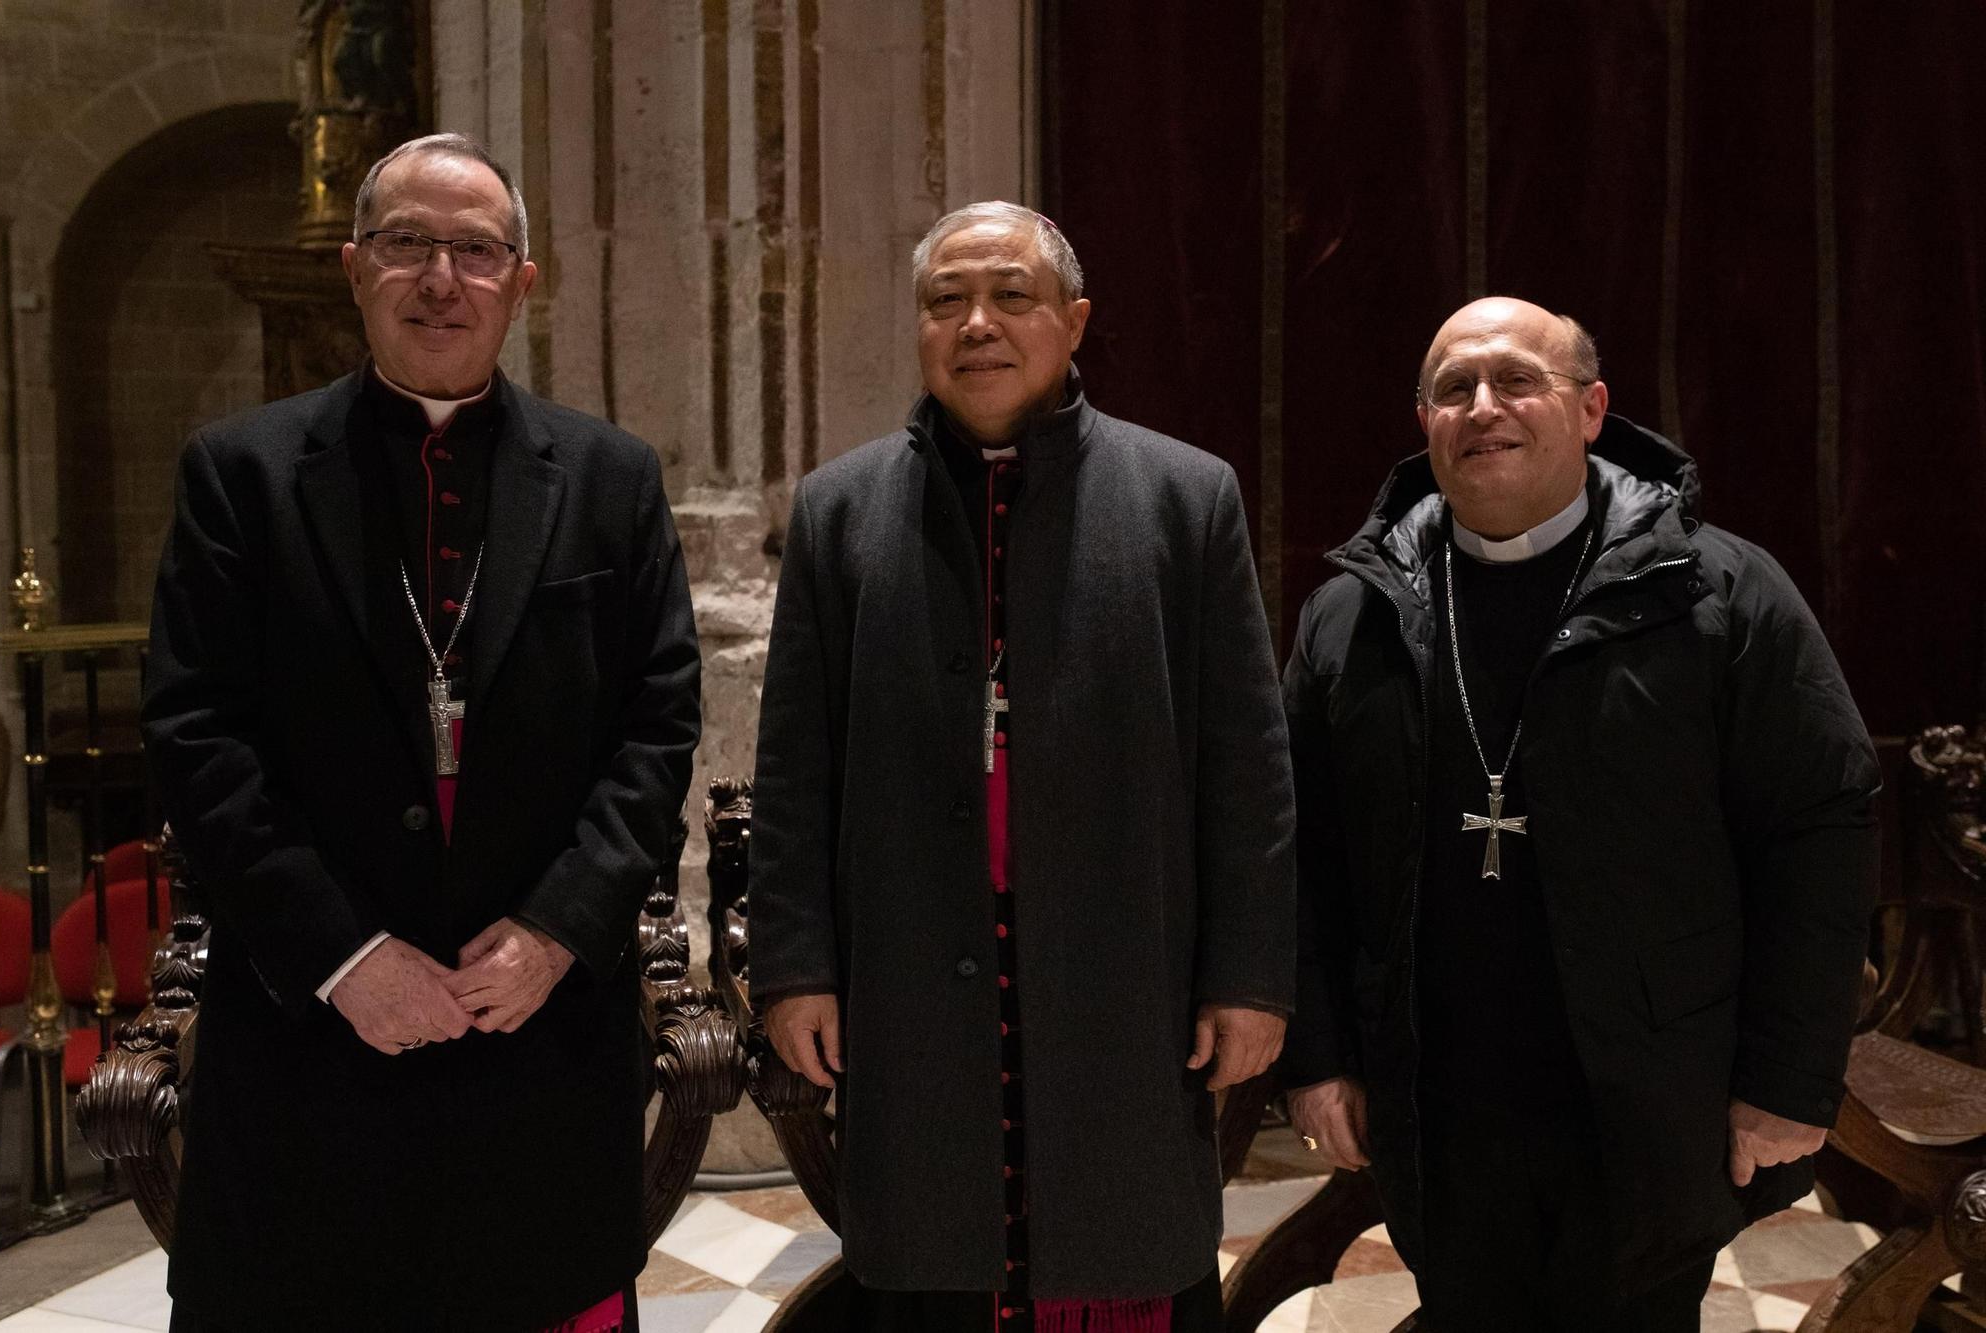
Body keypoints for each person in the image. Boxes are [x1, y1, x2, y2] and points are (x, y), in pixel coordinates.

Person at [143, 133, 700, 1332]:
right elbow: (197, 736)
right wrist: (343, 957)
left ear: (521, 281)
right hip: (313, 1042)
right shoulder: (242, 474)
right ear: (354, 269)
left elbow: (657, 730)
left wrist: (558, 931)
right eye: (406, 244)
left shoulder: (609, 479)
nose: (441, 277)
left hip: (534, 1037)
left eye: (476, 250)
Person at [1279, 296, 1880, 1328]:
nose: (1481, 406)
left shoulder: (1718, 592)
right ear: (1421, 420)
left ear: (1591, 408)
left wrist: (1787, 1075)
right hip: (1439, 1094)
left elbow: (1819, 828)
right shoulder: (1354, 614)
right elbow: (1296, 854)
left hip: (1648, 1092)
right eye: (1451, 388)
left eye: (1516, 380)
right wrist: (1317, 1055)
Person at [748, 201, 1295, 1331]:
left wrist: (1248, 974)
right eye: (945, 300)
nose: (976, 324)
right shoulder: (840, 510)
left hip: (1121, 960)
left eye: (1011, 296)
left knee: (1120, 1244)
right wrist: (793, 962)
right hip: (912, 963)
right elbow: (794, 766)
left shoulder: (1183, 497)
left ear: (1074, 321)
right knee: (926, 1264)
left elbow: (1247, 762)